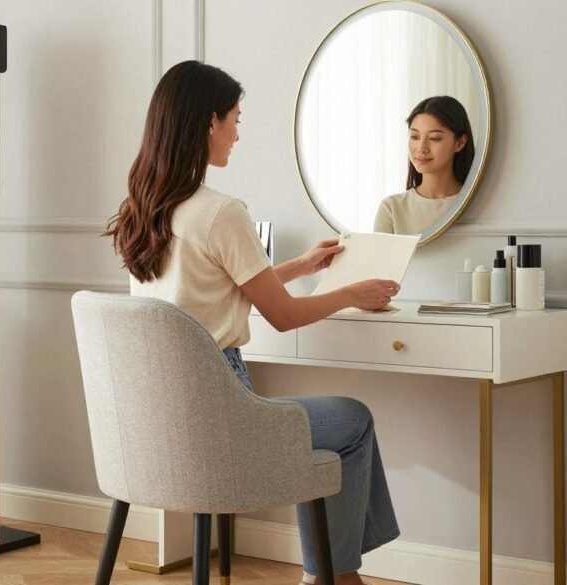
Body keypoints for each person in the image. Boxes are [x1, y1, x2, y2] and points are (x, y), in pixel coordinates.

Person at [105, 60, 400, 585]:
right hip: (222, 412)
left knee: (342, 421)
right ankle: (330, 575)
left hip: (159, 424)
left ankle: (336, 572)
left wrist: (300, 267)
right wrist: (353, 292)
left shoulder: (144, 208)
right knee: (353, 420)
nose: (238, 134)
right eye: (236, 119)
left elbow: (208, 286)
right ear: (209, 122)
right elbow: (283, 317)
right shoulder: (221, 210)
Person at [374, 95, 475, 235]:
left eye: (434, 138)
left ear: (460, 143)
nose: (421, 148)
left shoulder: (477, 204)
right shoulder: (392, 208)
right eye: (414, 137)